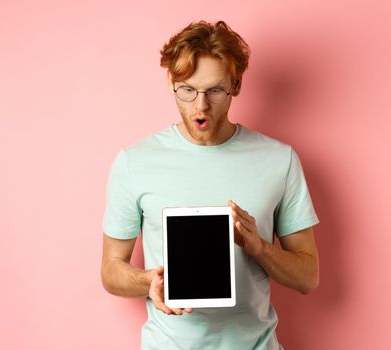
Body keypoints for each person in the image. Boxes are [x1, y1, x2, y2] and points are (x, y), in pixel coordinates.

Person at [101, 20, 320, 350]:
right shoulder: (134, 162)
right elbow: (110, 270)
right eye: (187, 89)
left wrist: (259, 247)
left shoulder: (279, 160)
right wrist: (149, 281)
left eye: (215, 90)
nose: (200, 105)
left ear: (236, 84)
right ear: (171, 83)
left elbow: (308, 277)